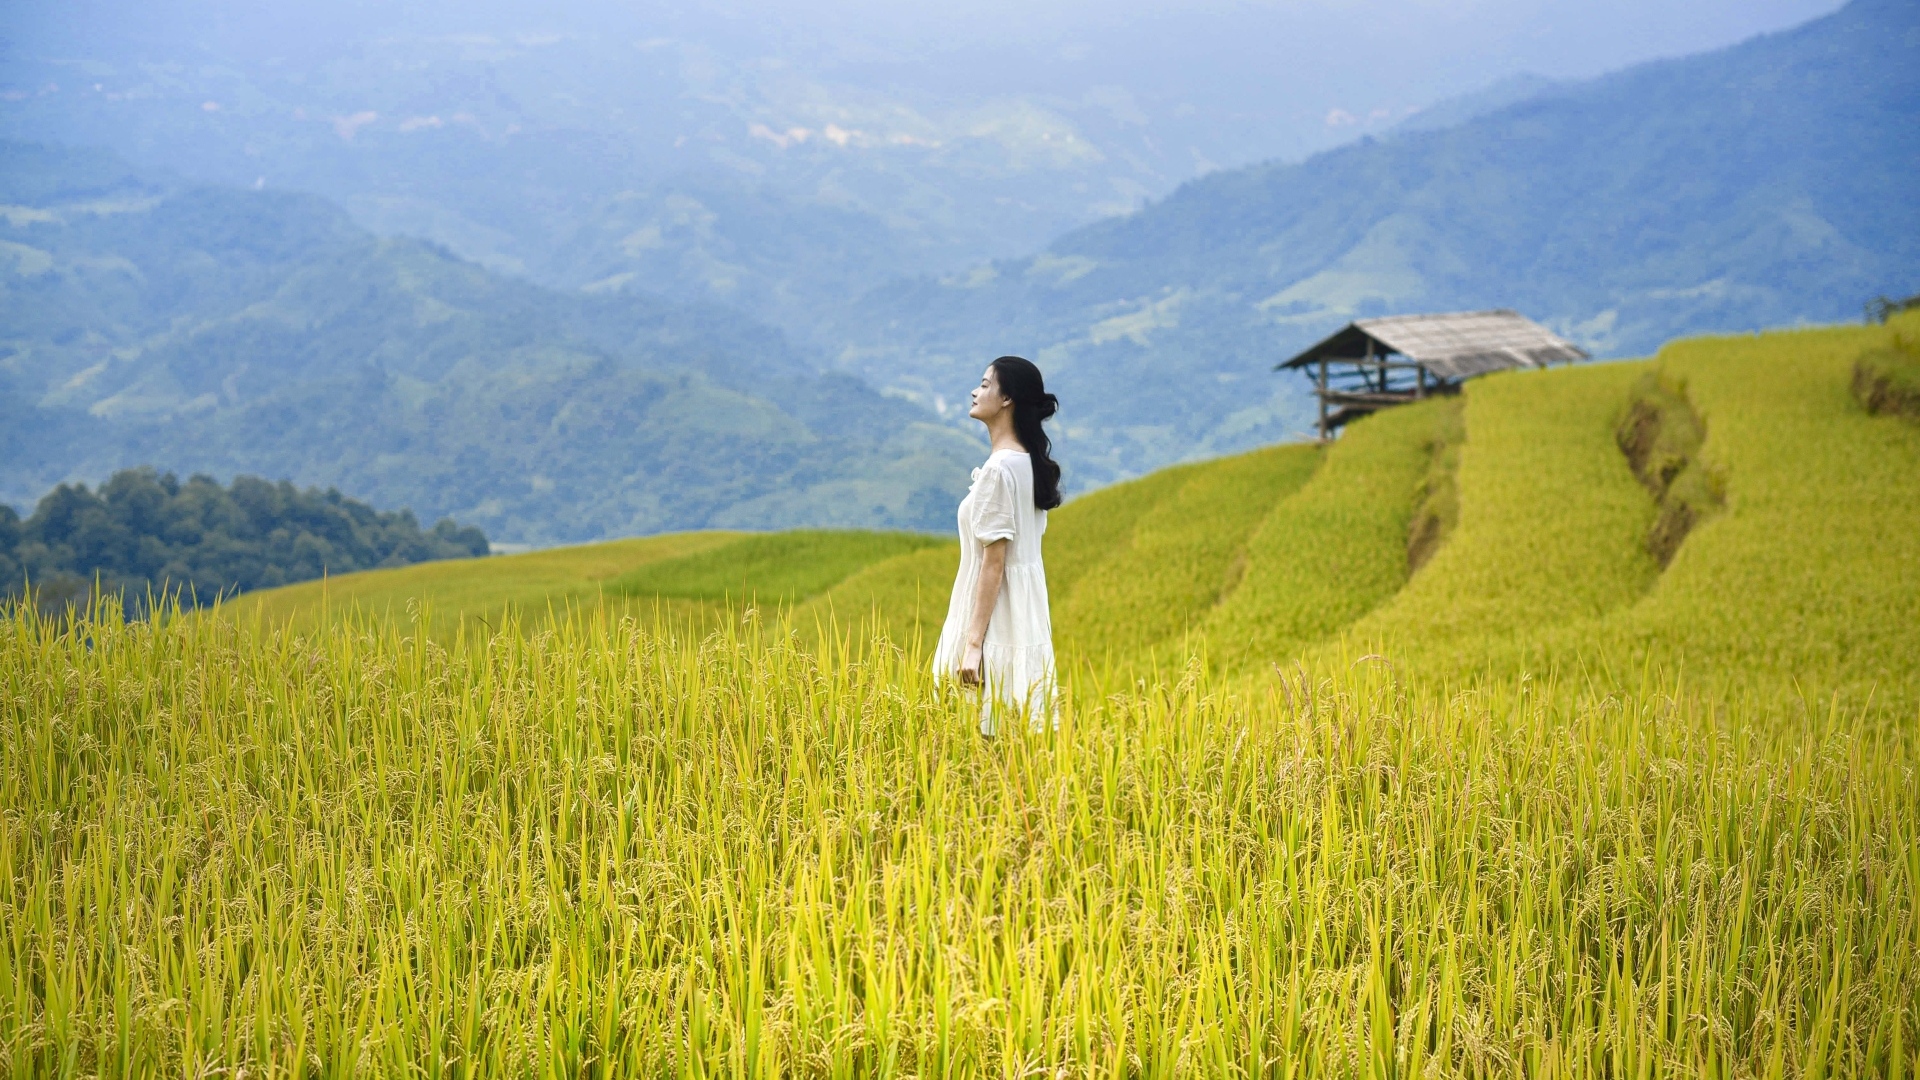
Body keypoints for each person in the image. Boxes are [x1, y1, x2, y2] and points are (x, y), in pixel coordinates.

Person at [932, 355, 1062, 735]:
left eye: (986, 384)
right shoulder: (1027, 464)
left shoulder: (998, 470)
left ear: (1008, 400)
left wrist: (973, 644)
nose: (976, 391)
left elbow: (994, 563)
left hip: (994, 620)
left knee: (974, 736)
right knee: (1013, 738)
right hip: (1023, 616)